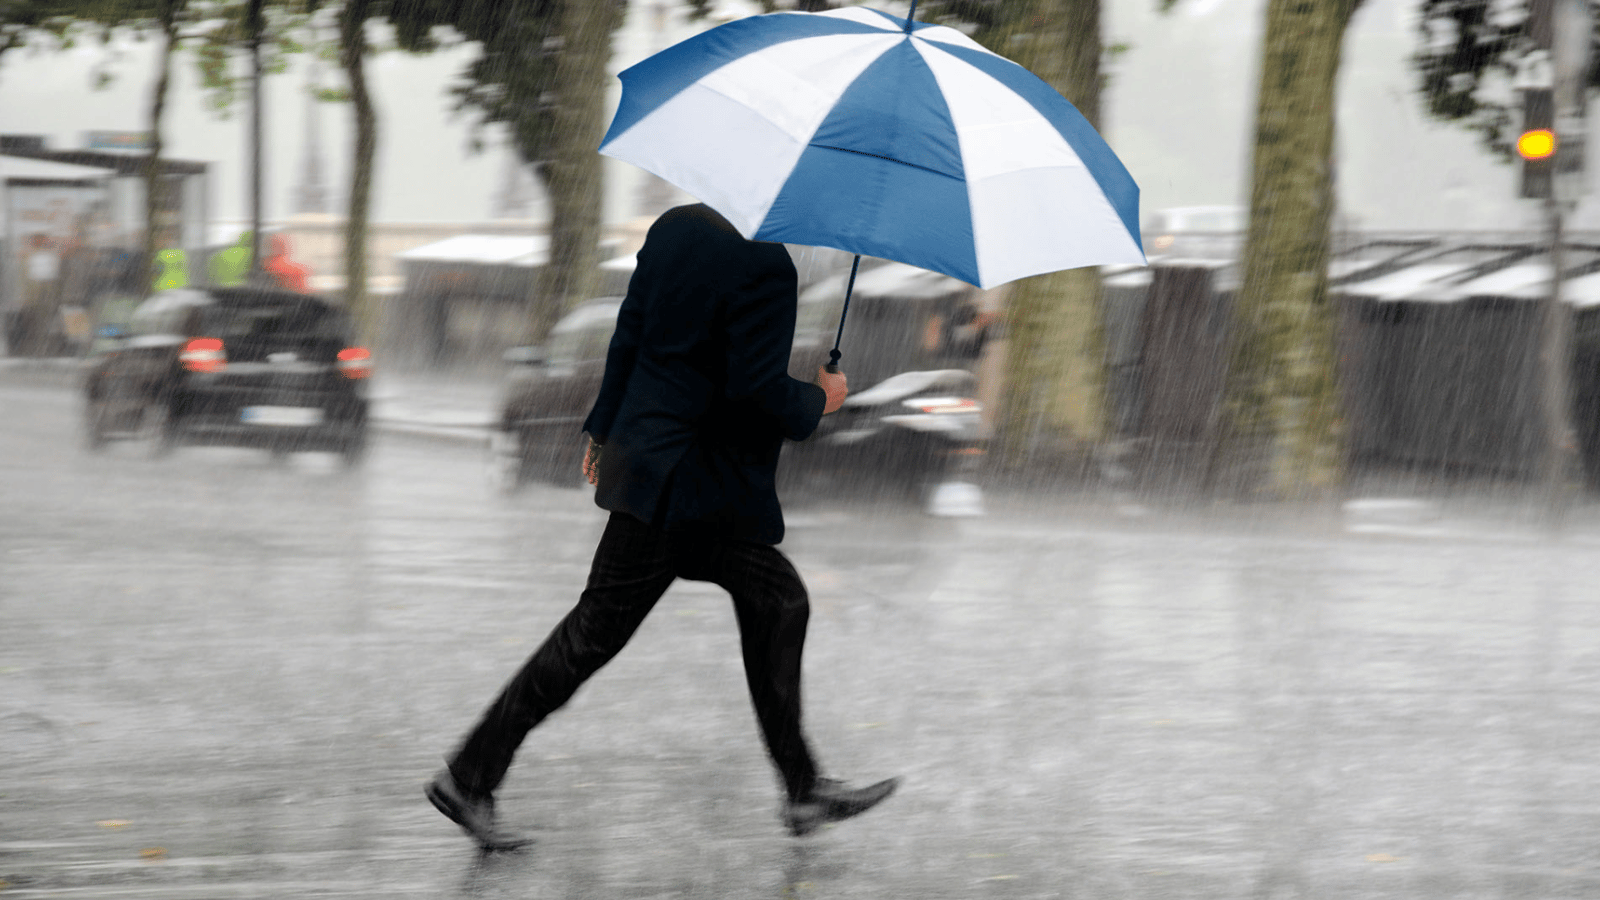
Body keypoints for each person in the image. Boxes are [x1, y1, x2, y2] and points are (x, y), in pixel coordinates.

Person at [425, 203, 899, 850]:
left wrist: (602, 425)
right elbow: (752, 387)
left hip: (666, 473)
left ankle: (803, 788)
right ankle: (468, 775)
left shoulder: (677, 227)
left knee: (777, 601)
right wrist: (820, 398)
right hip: (689, 489)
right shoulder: (767, 265)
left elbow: (630, 332)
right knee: (595, 632)